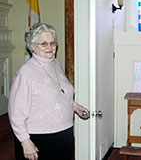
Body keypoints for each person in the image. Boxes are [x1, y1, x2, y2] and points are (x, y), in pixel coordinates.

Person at [8, 23, 90, 160]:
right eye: (44, 44)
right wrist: (25, 141)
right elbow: (15, 112)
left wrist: (75, 106)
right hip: (39, 138)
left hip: (64, 132)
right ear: (33, 47)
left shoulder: (56, 64)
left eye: (53, 43)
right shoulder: (26, 73)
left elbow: (59, 92)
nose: (50, 47)